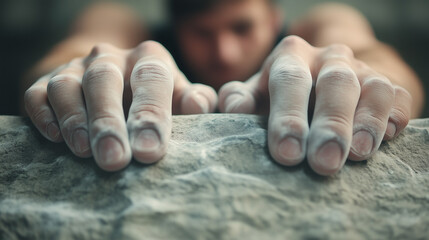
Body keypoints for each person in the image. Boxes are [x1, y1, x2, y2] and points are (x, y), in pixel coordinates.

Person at [22, 0, 424, 176]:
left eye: (242, 27)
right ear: (176, 27)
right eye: (202, 32)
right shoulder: (122, 22)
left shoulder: (324, 24)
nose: (224, 52)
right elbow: (71, 54)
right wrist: (72, 76)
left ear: (273, 18)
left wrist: (367, 79)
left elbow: (383, 64)